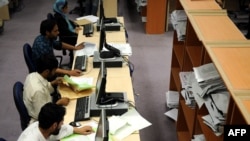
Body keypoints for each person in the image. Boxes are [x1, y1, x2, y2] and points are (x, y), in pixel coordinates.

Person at [23, 55, 70, 124]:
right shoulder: (38, 91)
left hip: (43, 106)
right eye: (54, 70)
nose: (55, 73)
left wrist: (54, 83)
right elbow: (43, 115)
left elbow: (45, 86)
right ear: (47, 71)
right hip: (41, 122)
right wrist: (58, 103)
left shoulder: (32, 75)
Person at [17, 102, 94, 141]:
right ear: (54, 125)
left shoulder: (42, 126)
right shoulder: (31, 139)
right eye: (61, 122)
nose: (63, 124)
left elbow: (59, 131)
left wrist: (76, 130)